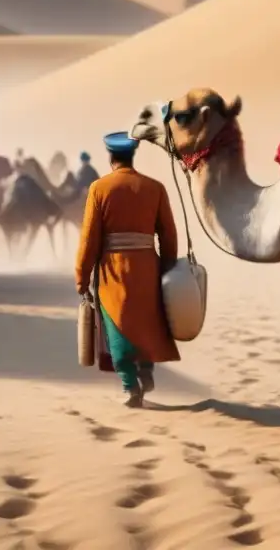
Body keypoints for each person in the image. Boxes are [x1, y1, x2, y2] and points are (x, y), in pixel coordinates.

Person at [76, 132, 180, 408]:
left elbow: (89, 239)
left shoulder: (99, 188)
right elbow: (168, 234)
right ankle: (146, 371)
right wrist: (168, 266)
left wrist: (81, 277)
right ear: (132, 156)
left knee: (117, 326)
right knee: (145, 321)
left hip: (113, 270)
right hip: (148, 266)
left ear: (110, 157)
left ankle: (130, 386)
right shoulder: (155, 187)